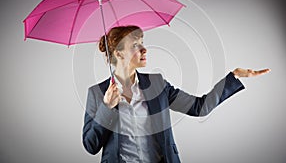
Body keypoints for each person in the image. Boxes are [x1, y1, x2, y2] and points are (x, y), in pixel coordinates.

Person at [82, 25, 270, 163]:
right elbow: (91, 146)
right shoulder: (97, 93)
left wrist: (234, 77)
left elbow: (200, 107)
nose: (144, 49)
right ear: (119, 53)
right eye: (135, 45)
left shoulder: (157, 84)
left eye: (142, 43)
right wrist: (107, 107)